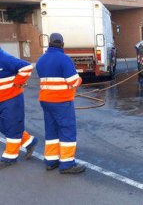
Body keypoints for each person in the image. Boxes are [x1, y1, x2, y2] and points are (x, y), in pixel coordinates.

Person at [36, 33, 85, 174]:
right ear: (62, 44)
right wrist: (80, 79)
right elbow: (73, 81)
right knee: (67, 131)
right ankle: (67, 164)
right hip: (61, 102)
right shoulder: (64, 59)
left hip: (46, 101)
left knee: (51, 130)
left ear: (49, 43)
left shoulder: (41, 60)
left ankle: (51, 161)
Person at [0, 46, 38, 169]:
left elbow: (26, 67)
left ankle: (10, 157)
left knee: (12, 126)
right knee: (5, 126)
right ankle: (29, 141)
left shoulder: (4, 58)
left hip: (11, 98)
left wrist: (17, 83)